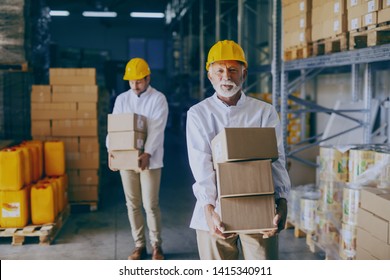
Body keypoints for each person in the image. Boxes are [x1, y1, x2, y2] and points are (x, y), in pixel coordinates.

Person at [186, 40, 291, 260]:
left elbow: (277, 159)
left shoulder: (264, 112)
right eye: (220, 70)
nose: (227, 76)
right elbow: (201, 164)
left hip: (259, 210)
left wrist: (282, 201)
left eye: (233, 70)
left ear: (244, 74)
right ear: (210, 75)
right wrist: (209, 208)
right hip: (216, 213)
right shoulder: (199, 113)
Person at [107, 58, 169, 260]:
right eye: (131, 81)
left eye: (139, 81)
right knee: (132, 204)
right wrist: (112, 151)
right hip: (126, 159)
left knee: (150, 204)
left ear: (148, 78)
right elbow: (116, 128)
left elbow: (157, 129)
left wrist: (147, 153)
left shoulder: (158, 99)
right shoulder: (122, 99)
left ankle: (157, 245)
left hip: (150, 160)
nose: (135, 85)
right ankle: (139, 245)